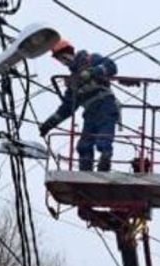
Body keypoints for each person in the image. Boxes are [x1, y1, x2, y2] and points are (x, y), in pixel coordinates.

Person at [38, 39, 120, 172]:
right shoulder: (73, 81)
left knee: (103, 138)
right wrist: (48, 124)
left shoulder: (90, 59)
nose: (64, 61)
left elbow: (111, 66)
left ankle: (105, 160)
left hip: (105, 104)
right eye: (61, 60)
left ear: (69, 53)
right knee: (84, 145)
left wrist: (93, 72)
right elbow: (67, 108)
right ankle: (86, 172)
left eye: (63, 57)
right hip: (90, 112)